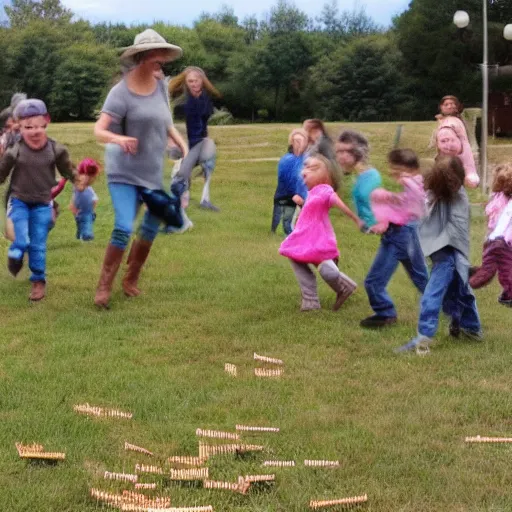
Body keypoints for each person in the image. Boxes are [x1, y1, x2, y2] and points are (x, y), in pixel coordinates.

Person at [93, 29, 188, 308]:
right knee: (124, 226)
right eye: (157, 57)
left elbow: (166, 123)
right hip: (123, 173)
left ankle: (130, 280)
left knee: (150, 226)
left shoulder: (160, 86)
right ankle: (104, 286)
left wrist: (182, 146)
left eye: (163, 57)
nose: (162, 62)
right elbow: (99, 130)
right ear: (143, 58)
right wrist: (119, 138)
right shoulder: (120, 93)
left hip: (151, 172)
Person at [0, 98, 86, 301]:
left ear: (46, 122)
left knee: (38, 243)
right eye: (28, 127)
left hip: (42, 203)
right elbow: (1, 173)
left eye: (38, 126)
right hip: (19, 200)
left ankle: (38, 281)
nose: (34, 131)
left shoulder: (56, 149)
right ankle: (16, 253)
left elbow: (68, 170)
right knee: (21, 237)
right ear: (19, 126)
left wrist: (79, 180)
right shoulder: (15, 151)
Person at [395, 156, 481, 354]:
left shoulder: (459, 195)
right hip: (441, 253)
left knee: (460, 289)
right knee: (439, 293)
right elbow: (423, 214)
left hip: (453, 251)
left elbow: (458, 227)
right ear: (440, 180)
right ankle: (426, 336)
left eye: (455, 181)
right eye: (448, 181)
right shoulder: (432, 193)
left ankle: (468, 327)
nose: (453, 185)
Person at [279, 153, 362, 312]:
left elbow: (340, 205)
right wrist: (301, 204)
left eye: (312, 169)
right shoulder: (313, 192)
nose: (305, 173)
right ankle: (321, 296)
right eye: (306, 168)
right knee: (297, 258)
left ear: (325, 175)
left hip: (317, 238)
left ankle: (321, 295)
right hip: (304, 236)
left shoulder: (326, 192)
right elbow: (310, 210)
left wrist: (356, 219)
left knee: (324, 268)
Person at [360, 149, 429, 328]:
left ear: (407, 168)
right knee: (421, 278)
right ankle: (451, 306)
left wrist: (401, 181)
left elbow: (417, 199)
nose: (391, 172)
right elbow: (407, 202)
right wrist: (389, 197)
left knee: (373, 282)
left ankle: (385, 313)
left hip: (400, 234)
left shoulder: (412, 184)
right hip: (408, 233)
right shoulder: (413, 183)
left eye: (395, 168)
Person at [169, 66, 221, 217]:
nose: (193, 83)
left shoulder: (205, 98)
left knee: (208, 164)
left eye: (196, 80)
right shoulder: (181, 100)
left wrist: (205, 138)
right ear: (185, 82)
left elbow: (204, 122)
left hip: (199, 141)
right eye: (190, 81)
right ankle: (176, 205)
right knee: (181, 174)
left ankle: (205, 199)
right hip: (183, 142)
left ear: (202, 81)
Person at [469, 162, 512, 306]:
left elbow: (492, 222)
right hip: (501, 242)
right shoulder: (504, 202)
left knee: (492, 267)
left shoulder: (498, 198)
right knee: (503, 270)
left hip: (493, 240)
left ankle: (469, 273)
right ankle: (465, 284)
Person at [335, 130, 382, 232]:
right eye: (338, 152)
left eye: (344, 152)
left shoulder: (371, 178)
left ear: (357, 152)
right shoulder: (359, 176)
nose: (339, 157)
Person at [435, 95, 479, 188]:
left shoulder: (450, 123)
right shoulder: (453, 120)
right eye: (446, 104)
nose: (450, 106)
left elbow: (450, 145)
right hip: (463, 155)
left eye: (452, 104)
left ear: (457, 106)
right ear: (441, 107)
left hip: (455, 157)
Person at [271, 128, 308, 236]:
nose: (299, 144)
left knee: (287, 219)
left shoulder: (305, 158)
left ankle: (290, 235)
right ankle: (278, 233)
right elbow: (286, 178)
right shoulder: (287, 160)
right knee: (279, 217)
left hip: (293, 195)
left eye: (301, 141)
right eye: (297, 141)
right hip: (287, 195)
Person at [70, 158, 101, 241]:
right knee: (84, 223)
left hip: (87, 211)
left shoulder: (89, 189)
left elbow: (95, 200)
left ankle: (83, 234)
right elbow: (79, 188)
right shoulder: (78, 186)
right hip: (81, 210)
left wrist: (92, 210)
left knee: (84, 223)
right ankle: (84, 234)